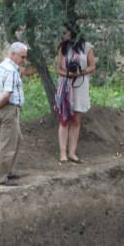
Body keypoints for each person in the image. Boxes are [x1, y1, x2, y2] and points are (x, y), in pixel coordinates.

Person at [0, 42, 29, 186]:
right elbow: (6, 94)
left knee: (17, 139)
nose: (24, 60)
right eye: (22, 57)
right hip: (8, 109)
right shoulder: (11, 70)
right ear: (13, 54)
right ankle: (0, 178)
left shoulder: (0, 68)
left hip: (3, 108)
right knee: (7, 144)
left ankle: (9, 170)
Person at [55, 26, 96, 164]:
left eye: (65, 32)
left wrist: (80, 72)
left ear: (72, 32)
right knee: (64, 119)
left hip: (81, 85)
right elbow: (58, 69)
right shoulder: (63, 47)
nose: (63, 35)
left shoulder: (87, 47)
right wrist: (68, 74)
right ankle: (63, 154)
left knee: (76, 120)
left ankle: (72, 152)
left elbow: (92, 66)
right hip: (65, 86)